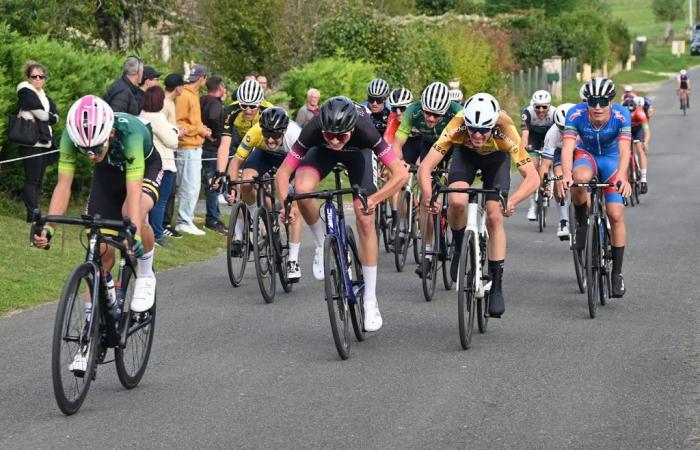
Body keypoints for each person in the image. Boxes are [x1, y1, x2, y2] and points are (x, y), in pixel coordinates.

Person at [33, 96, 161, 370]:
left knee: (130, 214)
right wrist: (49, 228)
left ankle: (147, 272)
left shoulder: (131, 134)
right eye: (85, 150)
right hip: (107, 177)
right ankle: (90, 338)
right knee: (100, 250)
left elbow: (134, 192)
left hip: (144, 169)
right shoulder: (71, 134)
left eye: (95, 148)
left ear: (110, 132)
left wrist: (134, 233)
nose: (90, 155)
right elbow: (63, 186)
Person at [275, 97, 408, 331]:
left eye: (341, 136)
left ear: (352, 128)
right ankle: (320, 244)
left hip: (359, 156)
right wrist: (286, 204)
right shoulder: (314, 127)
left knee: (364, 216)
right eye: (330, 135)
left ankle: (370, 300)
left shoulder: (366, 130)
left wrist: (375, 199)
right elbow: (283, 173)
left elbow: (400, 174)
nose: (335, 140)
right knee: (303, 191)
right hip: (321, 154)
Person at [418, 93, 539, 317]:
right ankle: (458, 247)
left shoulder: (506, 129)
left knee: (494, 216)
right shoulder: (458, 124)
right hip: (466, 156)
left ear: (493, 126)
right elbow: (425, 167)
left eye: (483, 130)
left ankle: (497, 286)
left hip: (497, 159)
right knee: (456, 200)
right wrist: (428, 196)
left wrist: (511, 201)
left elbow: (533, 177)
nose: (477, 134)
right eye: (472, 129)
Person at [562, 77, 632, 298]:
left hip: (611, 160)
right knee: (579, 178)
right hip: (587, 155)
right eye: (593, 101)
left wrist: (622, 176)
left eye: (603, 101)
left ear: (611, 101)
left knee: (615, 214)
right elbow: (567, 148)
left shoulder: (622, 115)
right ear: (587, 102)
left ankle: (617, 274)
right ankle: (583, 223)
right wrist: (565, 175)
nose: (598, 107)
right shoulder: (575, 114)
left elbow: (624, 151)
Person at [218, 107, 305, 281]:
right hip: (264, 155)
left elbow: (303, 171)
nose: (271, 139)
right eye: (267, 135)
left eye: (275, 135)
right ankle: (256, 217)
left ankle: (293, 260)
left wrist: (294, 193)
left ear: (284, 131)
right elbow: (235, 163)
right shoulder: (256, 132)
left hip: (290, 157)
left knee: (293, 207)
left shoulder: (295, 135)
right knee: (246, 182)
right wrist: (233, 187)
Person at [15, 61, 59, 222]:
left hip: (43, 142)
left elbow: (55, 117)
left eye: (41, 76)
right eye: (34, 76)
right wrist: (50, 117)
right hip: (30, 142)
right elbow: (43, 116)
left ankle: (31, 213)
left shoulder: (45, 97)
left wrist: (50, 117)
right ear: (28, 78)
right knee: (32, 179)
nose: (38, 79)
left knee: (39, 179)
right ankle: (34, 213)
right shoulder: (26, 92)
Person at [140, 86, 180, 248]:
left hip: (147, 164)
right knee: (160, 200)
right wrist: (176, 131)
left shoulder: (142, 115)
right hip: (163, 163)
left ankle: (147, 230)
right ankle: (157, 233)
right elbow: (172, 141)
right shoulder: (157, 117)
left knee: (147, 199)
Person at [175, 64, 211, 236]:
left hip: (196, 145)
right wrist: (199, 130)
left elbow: (193, 122)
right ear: (203, 78)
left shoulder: (194, 95)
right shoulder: (184, 96)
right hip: (187, 146)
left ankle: (187, 218)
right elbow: (179, 123)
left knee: (194, 185)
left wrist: (202, 128)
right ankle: (183, 221)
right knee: (188, 185)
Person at [215, 79, 273, 177]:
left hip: (263, 142)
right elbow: (225, 145)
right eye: (244, 105)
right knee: (236, 178)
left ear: (260, 103)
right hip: (242, 143)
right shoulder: (231, 110)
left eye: (253, 106)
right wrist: (220, 172)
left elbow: (275, 140)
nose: (248, 110)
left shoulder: (269, 111)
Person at [540, 103, 576, 239]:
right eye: (562, 128)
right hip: (560, 152)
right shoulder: (552, 134)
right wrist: (545, 185)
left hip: (581, 151)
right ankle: (563, 220)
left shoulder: (585, 127)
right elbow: (545, 164)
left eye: (568, 129)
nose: (565, 132)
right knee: (558, 178)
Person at [520, 89, 555, 221]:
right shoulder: (527, 112)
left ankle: (549, 179)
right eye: (537, 107)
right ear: (533, 106)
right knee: (532, 167)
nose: (541, 110)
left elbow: (558, 134)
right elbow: (525, 135)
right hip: (533, 137)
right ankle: (532, 206)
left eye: (544, 107)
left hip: (549, 136)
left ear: (549, 106)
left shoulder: (554, 113)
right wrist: (524, 149)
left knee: (548, 162)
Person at [200, 76, 228, 234]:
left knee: (211, 182)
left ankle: (214, 215)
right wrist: (218, 136)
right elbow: (213, 117)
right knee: (213, 183)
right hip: (212, 148)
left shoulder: (202, 99)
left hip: (204, 145)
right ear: (220, 87)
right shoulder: (214, 103)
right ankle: (212, 219)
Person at [161, 73, 185, 239]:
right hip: (165, 151)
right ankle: (163, 224)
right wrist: (177, 131)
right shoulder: (165, 103)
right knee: (166, 190)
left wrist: (177, 128)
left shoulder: (170, 103)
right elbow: (161, 126)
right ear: (177, 87)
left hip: (171, 146)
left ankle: (166, 223)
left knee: (171, 190)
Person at [625, 97, 651, 194]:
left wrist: (646, 142)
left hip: (638, 129)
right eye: (629, 113)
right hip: (626, 129)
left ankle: (643, 180)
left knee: (640, 148)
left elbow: (647, 131)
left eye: (632, 112)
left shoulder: (640, 113)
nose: (631, 115)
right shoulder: (621, 113)